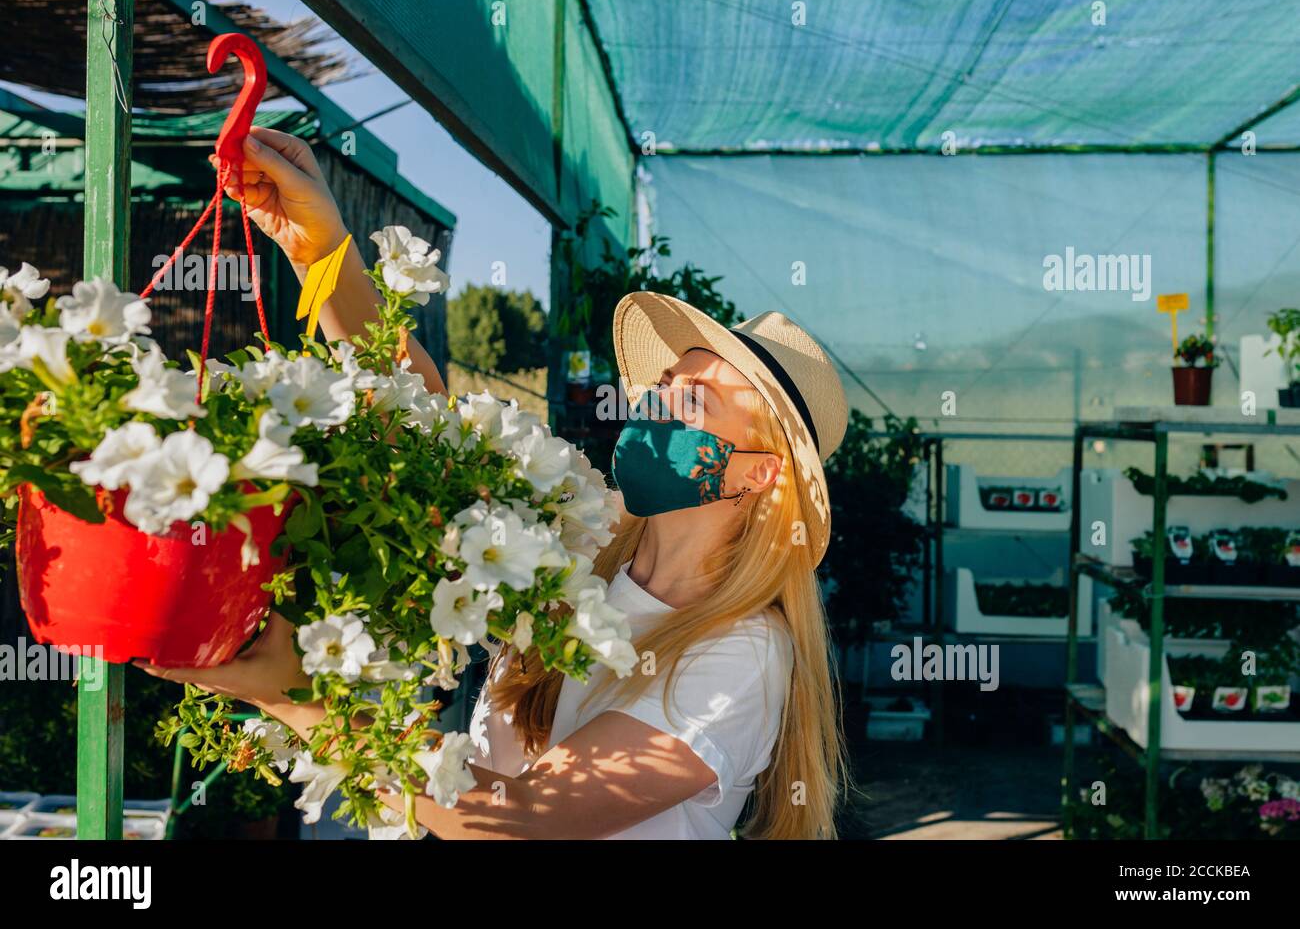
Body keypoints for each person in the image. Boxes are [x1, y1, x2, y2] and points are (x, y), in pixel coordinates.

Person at [136, 128, 851, 839]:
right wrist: (317, 246)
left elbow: (511, 823)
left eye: (692, 402)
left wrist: (298, 697)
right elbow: (412, 417)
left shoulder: (742, 652)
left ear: (756, 474)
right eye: (662, 386)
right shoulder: (584, 534)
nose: (653, 406)